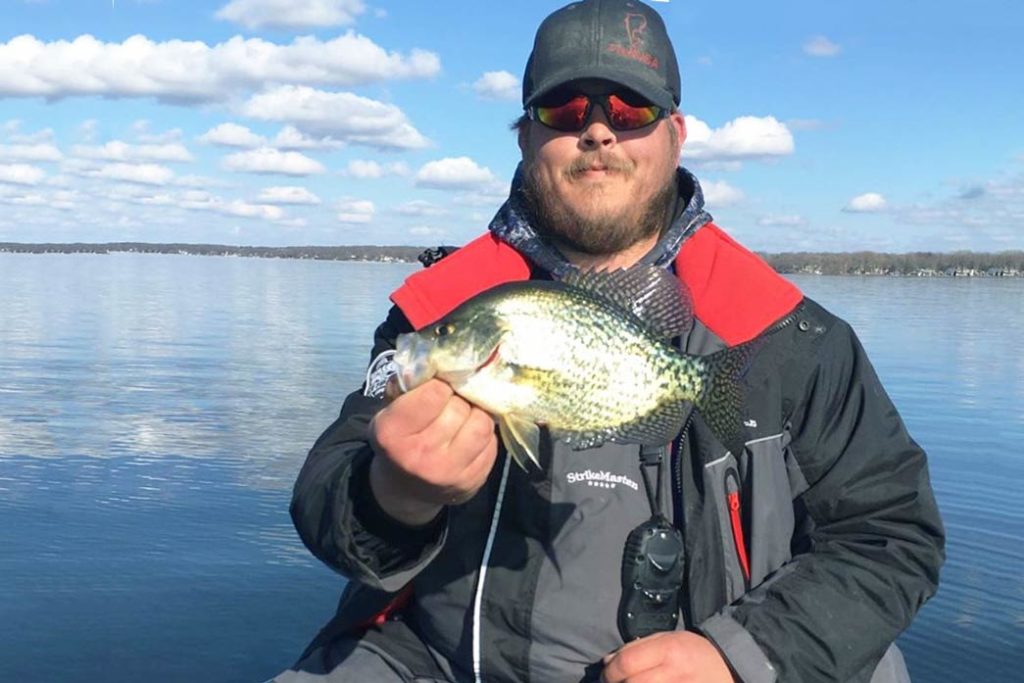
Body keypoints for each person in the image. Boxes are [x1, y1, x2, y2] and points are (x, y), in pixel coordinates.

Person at [279, 1, 945, 681]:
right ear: (524, 138)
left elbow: (892, 536)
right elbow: (323, 501)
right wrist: (393, 495)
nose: (598, 130)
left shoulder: (790, 337)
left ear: (676, 135)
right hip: (437, 663)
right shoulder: (442, 309)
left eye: (629, 111)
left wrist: (740, 655)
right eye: (564, 110)